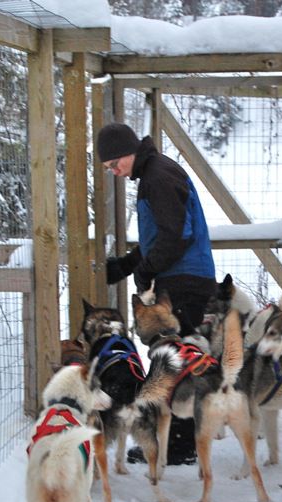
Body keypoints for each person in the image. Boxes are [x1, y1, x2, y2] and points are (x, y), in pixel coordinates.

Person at [96, 122, 217, 465]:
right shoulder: (154, 174)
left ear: (125, 152)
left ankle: (178, 446)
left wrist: (146, 270)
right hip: (183, 274)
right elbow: (161, 236)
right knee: (176, 358)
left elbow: (176, 236)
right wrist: (130, 263)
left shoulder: (158, 177)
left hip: (185, 278)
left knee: (173, 360)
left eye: (113, 165)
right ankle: (180, 442)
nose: (114, 172)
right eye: (108, 169)